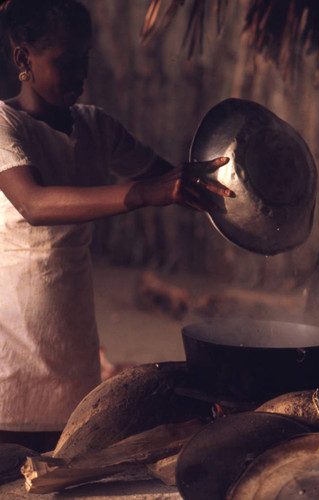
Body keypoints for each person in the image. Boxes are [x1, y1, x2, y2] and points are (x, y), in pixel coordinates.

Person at [0, 0, 231, 452]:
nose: (79, 73)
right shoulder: (5, 125)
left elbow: (171, 180)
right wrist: (144, 194)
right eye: (65, 62)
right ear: (23, 58)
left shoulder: (94, 125)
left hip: (71, 325)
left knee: (67, 453)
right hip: (12, 326)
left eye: (85, 59)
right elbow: (34, 203)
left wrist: (237, 191)